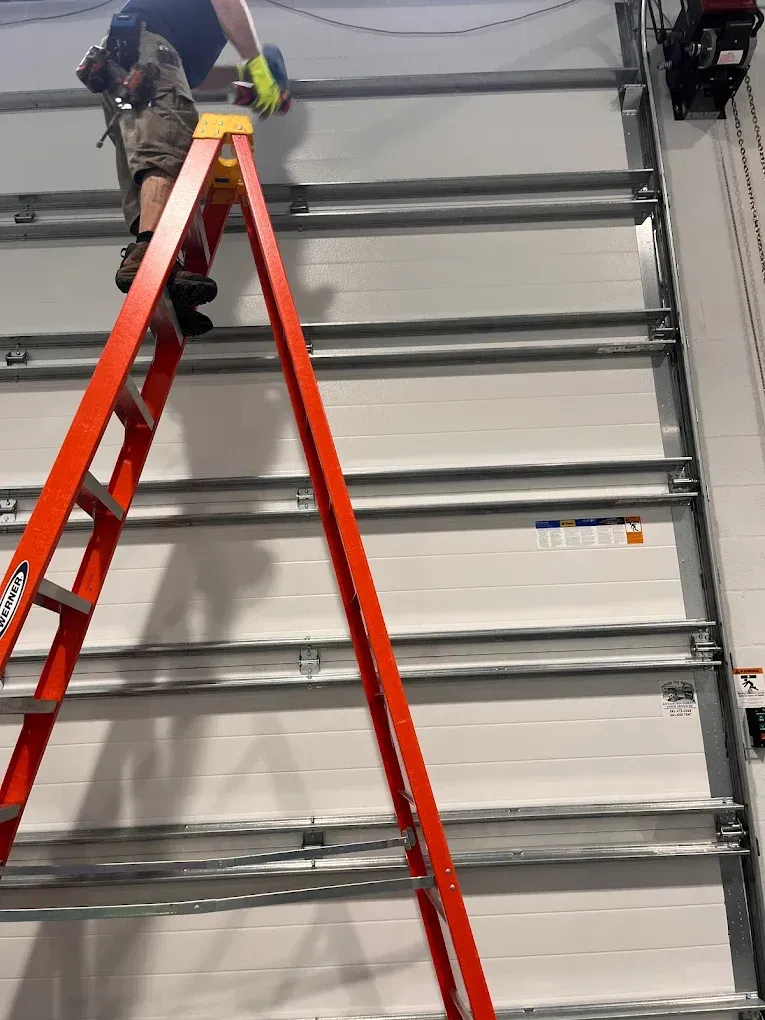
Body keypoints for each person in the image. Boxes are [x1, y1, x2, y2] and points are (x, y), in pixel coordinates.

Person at [101, 0, 286, 336]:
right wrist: (257, 64)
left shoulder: (186, 22)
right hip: (147, 50)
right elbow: (228, 3)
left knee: (145, 161)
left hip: (125, 57)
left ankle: (164, 280)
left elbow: (193, 78)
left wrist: (242, 77)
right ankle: (149, 256)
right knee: (167, 152)